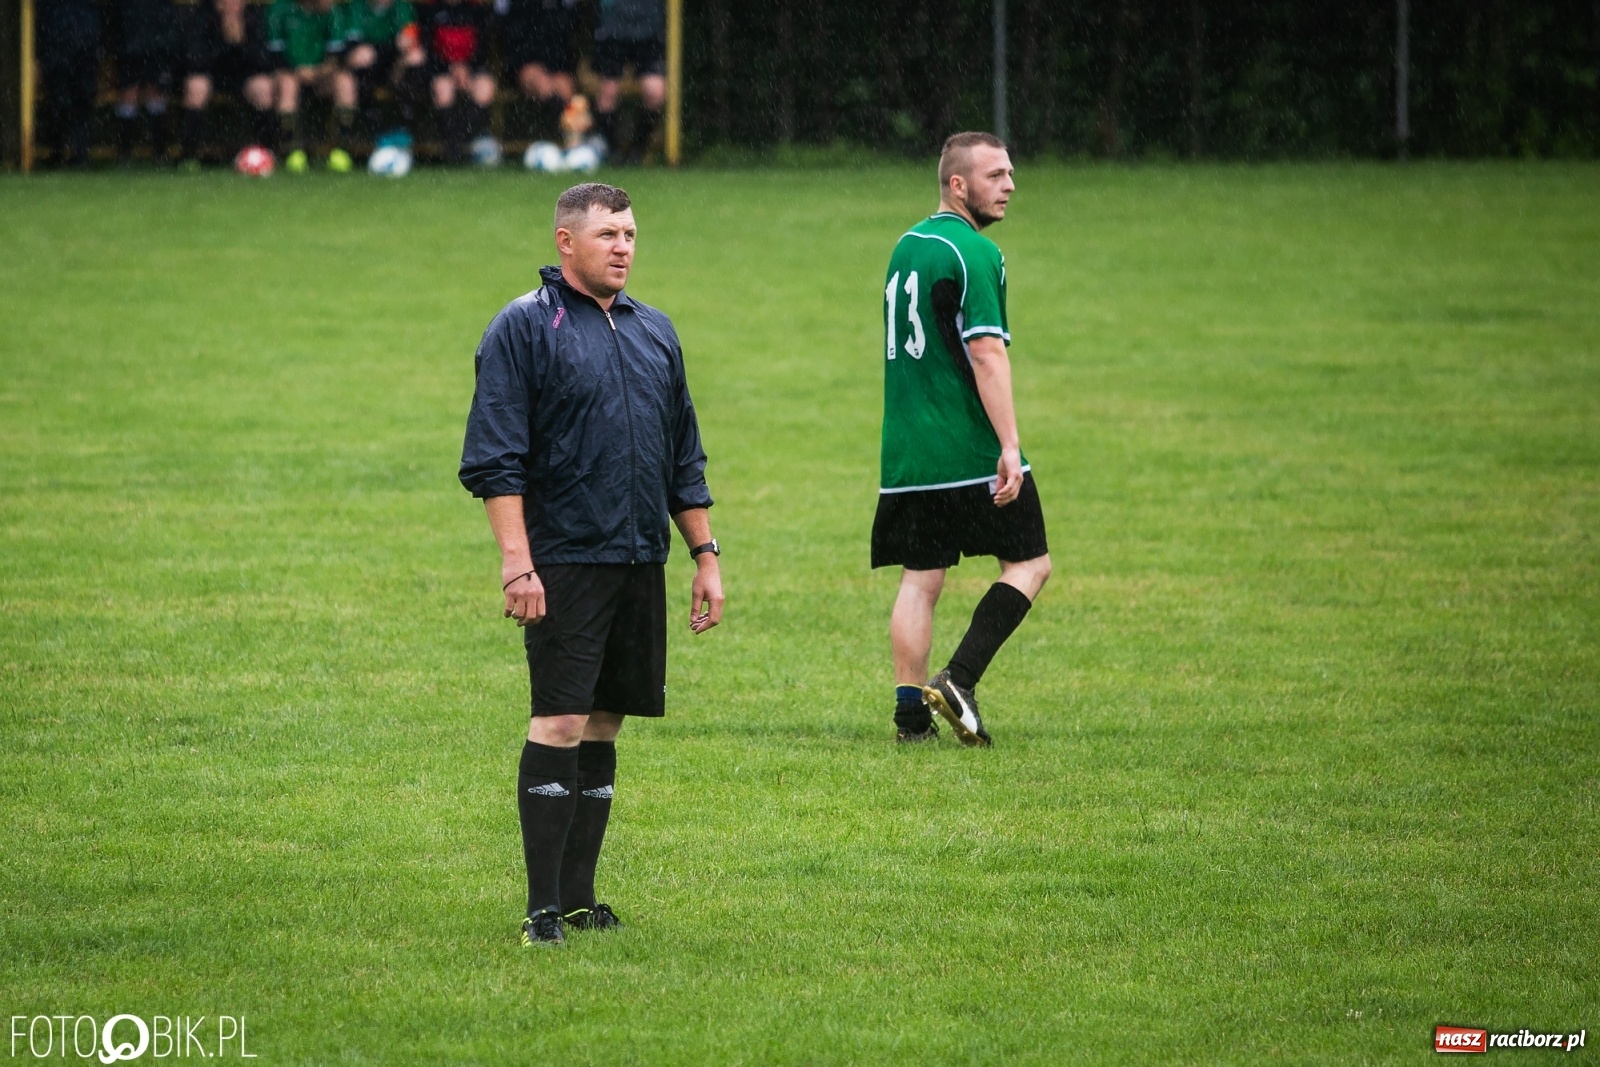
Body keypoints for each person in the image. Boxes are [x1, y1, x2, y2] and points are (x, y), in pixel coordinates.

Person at [459, 182, 724, 946]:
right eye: (608, 233)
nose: (624, 247)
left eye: (632, 233)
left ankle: (580, 898)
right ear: (566, 242)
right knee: (562, 717)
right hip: (566, 559)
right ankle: (541, 908)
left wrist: (704, 554)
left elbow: (684, 457)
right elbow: (495, 459)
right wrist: (519, 563)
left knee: (606, 719)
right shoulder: (523, 327)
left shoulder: (655, 331)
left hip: (642, 556)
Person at [873, 131, 1051, 747]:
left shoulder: (907, 245)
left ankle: (909, 720)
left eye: (1010, 173)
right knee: (1030, 562)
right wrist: (1009, 446)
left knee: (921, 577)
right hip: (965, 448)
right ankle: (960, 678)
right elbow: (986, 355)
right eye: (995, 175)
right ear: (958, 184)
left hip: (907, 453)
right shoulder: (975, 253)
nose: (1009, 185)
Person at [178, 0, 278, 164]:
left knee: (263, 87)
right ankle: (189, 154)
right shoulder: (202, 17)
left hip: (243, 75)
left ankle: (265, 151)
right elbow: (194, 59)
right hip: (211, 74)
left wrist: (240, 43)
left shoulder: (254, 17)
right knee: (195, 86)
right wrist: (223, 40)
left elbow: (263, 61)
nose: (231, 4)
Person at [267, 0, 357, 172]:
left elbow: (337, 55)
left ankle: (340, 151)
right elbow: (274, 55)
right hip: (290, 73)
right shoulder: (279, 10)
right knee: (287, 85)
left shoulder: (332, 12)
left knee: (346, 82)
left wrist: (317, 72)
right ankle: (293, 151)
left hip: (323, 75)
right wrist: (296, 70)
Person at [418, 0, 494, 163]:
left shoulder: (476, 11)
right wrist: (449, 67)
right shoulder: (430, 10)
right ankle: (453, 149)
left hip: (471, 69)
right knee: (443, 89)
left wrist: (467, 67)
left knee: (485, 88)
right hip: (441, 70)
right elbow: (427, 49)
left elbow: (484, 48)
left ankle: (458, 141)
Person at [338, 0, 427, 138]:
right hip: (368, 70)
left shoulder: (402, 6)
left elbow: (409, 39)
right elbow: (352, 47)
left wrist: (386, 49)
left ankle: (407, 116)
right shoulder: (356, 7)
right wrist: (388, 46)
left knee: (416, 56)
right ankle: (368, 117)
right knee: (363, 56)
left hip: (395, 67)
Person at [591, 0, 663, 164]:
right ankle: (612, 152)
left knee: (656, 92)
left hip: (648, 30)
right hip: (612, 29)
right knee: (608, 93)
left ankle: (637, 151)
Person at [496, 0, 576, 144]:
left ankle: (573, 144)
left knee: (566, 89)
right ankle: (548, 138)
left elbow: (565, 36)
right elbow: (508, 37)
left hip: (555, 65)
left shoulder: (560, 6)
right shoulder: (516, 7)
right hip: (522, 65)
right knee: (543, 85)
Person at [36, 0, 101, 168]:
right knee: (76, 101)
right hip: (77, 44)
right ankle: (77, 153)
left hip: (62, 43)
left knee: (63, 100)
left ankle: (63, 152)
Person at [113, 0, 180, 163]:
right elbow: (116, 21)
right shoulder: (125, 8)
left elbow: (170, 22)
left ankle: (159, 151)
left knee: (155, 93)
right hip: (130, 47)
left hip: (156, 48)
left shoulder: (162, 8)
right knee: (129, 93)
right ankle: (125, 152)